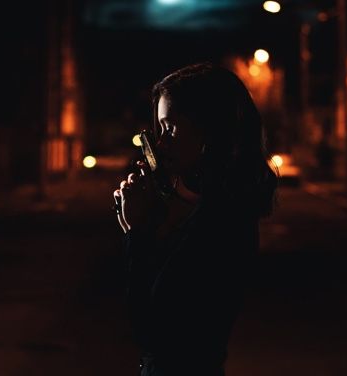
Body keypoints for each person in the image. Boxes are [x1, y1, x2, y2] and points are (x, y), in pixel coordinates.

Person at [113, 62, 278, 376]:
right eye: (159, 130)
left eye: (170, 128)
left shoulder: (220, 223)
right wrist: (137, 223)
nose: (161, 142)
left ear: (210, 130)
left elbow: (152, 335)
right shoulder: (217, 209)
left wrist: (139, 235)